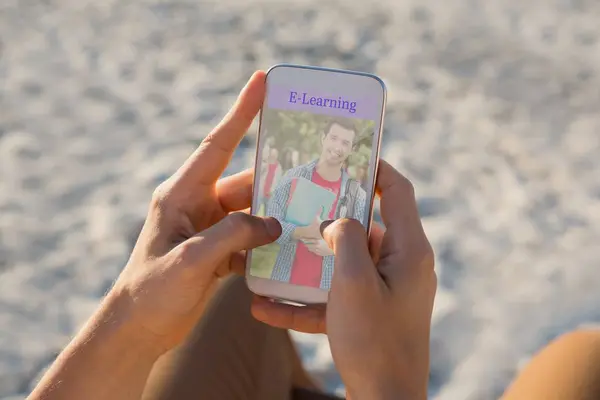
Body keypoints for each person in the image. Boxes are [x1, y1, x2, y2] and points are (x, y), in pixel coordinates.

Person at [26, 71, 600, 400]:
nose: (331, 150)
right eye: (327, 144)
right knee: (587, 355)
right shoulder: (300, 181)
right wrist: (392, 379)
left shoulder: (319, 187)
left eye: (338, 145)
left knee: (229, 291)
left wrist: (131, 321)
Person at [266, 118, 367, 290]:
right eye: (333, 138)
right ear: (323, 138)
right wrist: (300, 232)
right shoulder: (293, 177)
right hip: (283, 284)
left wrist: (333, 249)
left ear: (352, 148)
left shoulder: (357, 196)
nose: (337, 147)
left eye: (345, 142)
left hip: (327, 293)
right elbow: (269, 224)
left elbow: (360, 247)